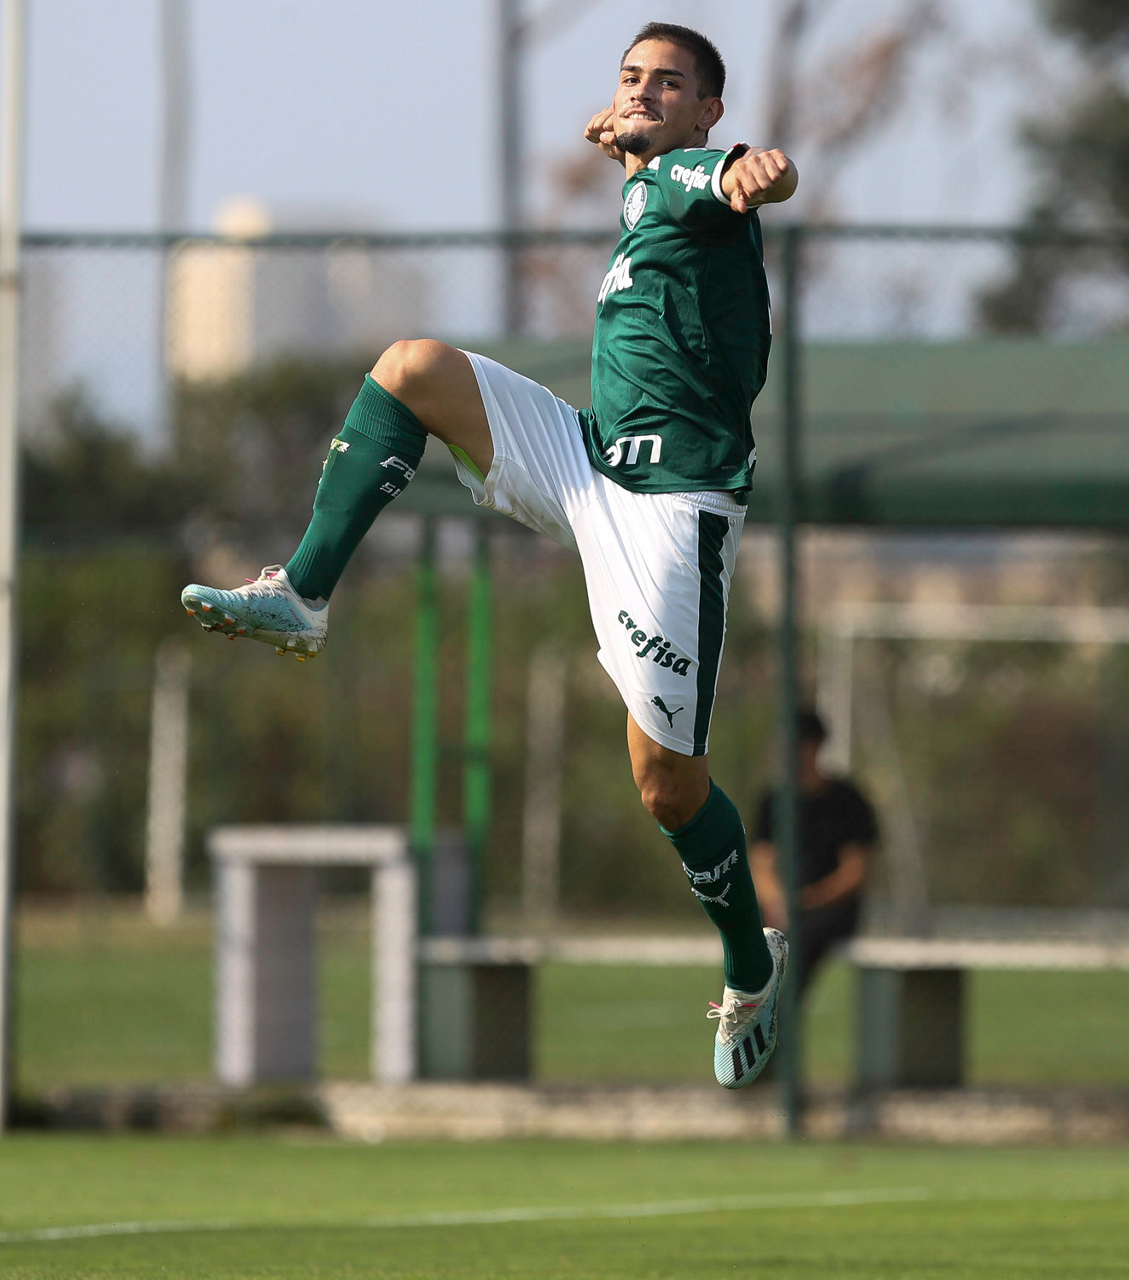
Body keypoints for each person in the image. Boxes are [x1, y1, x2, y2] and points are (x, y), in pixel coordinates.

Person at [181, 22, 799, 1089]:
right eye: (630, 77)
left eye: (670, 84)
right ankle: (304, 593)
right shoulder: (646, 184)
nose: (642, 92)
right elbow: (659, 170)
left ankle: (753, 961)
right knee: (411, 367)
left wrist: (752, 170)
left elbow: (739, 178)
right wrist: (632, 144)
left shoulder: (691, 180)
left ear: (709, 111)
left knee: (665, 787)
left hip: (670, 511)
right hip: (588, 457)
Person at [750, 710, 879, 1006]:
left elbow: (854, 872)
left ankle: (780, 1017)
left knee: (800, 942)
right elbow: (762, 863)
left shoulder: (847, 800)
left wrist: (806, 901)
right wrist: (779, 902)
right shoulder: (772, 800)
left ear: (815, 746)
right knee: (746, 933)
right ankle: (741, 1014)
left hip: (828, 909)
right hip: (779, 906)